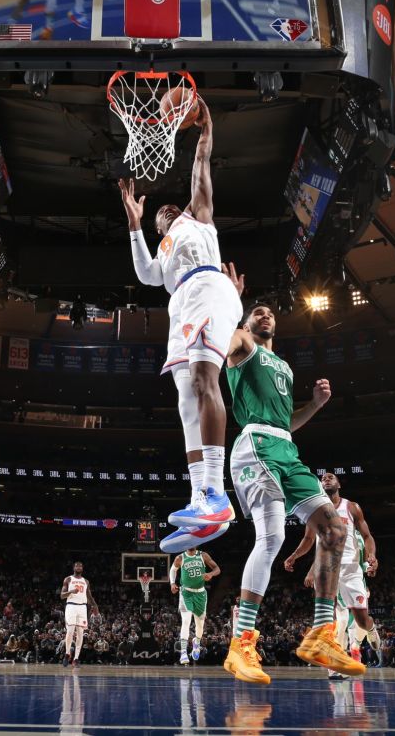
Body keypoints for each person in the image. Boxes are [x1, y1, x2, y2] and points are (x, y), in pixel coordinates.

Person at [117, 98, 242, 554]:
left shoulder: (198, 219)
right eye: (160, 214)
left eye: (172, 208)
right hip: (180, 305)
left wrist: (204, 137)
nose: (168, 210)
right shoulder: (163, 248)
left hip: (209, 287)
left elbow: (200, 175)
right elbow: (147, 276)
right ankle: (199, 500)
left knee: (208, 382)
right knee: (187, 403)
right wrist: (135, 227)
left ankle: (217, 496)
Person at [219, 300, 364, 684]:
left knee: (334, 530)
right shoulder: (241, 344)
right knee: (272, 538)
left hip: (285, 447)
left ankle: (321, 635)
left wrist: (315, 405)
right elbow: (222, 339)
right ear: (247, 322)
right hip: (255, 446)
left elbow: (286, 423)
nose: (266, 315)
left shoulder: (282, 365)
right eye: (258, 312)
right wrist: (228, 304)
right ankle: (241, 643)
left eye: (271, 312)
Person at [284, 472, 381, 677]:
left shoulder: (352, 507)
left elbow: (367, 535)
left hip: (351, 568)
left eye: (331, 477)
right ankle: (334, 662)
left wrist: (371, 555)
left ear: (338, 484)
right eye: (323, 479)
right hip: (327, 569)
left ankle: (371, 629)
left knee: (362, 620)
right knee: (333, 620)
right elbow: (309, 540)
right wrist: (294, 556)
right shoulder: (315, 511)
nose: (326, 479)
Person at [169, 549, 220, 664]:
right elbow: (173, 569)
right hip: (185, 592)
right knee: (186, 621)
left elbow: (217, 569)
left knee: (200, 624)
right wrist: (172, 583)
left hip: (200, 593)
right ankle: (183, 652)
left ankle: (196, 642)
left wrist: (211, 574)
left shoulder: (203, 555)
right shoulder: (180, 558)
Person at [60, 561, 99, 668]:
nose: (79, 567)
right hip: (71, 606)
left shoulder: (85, 581)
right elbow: (62, 596)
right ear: (73, 568)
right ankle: (67, 653)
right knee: (70, 631)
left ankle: (76, 659)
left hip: (82, 607)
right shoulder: (68, 579)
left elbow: (89, 597)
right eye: (77, 566)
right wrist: (71, 591)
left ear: (82, 568)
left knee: (81, 633)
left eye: (81, 566)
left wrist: (95, 606)